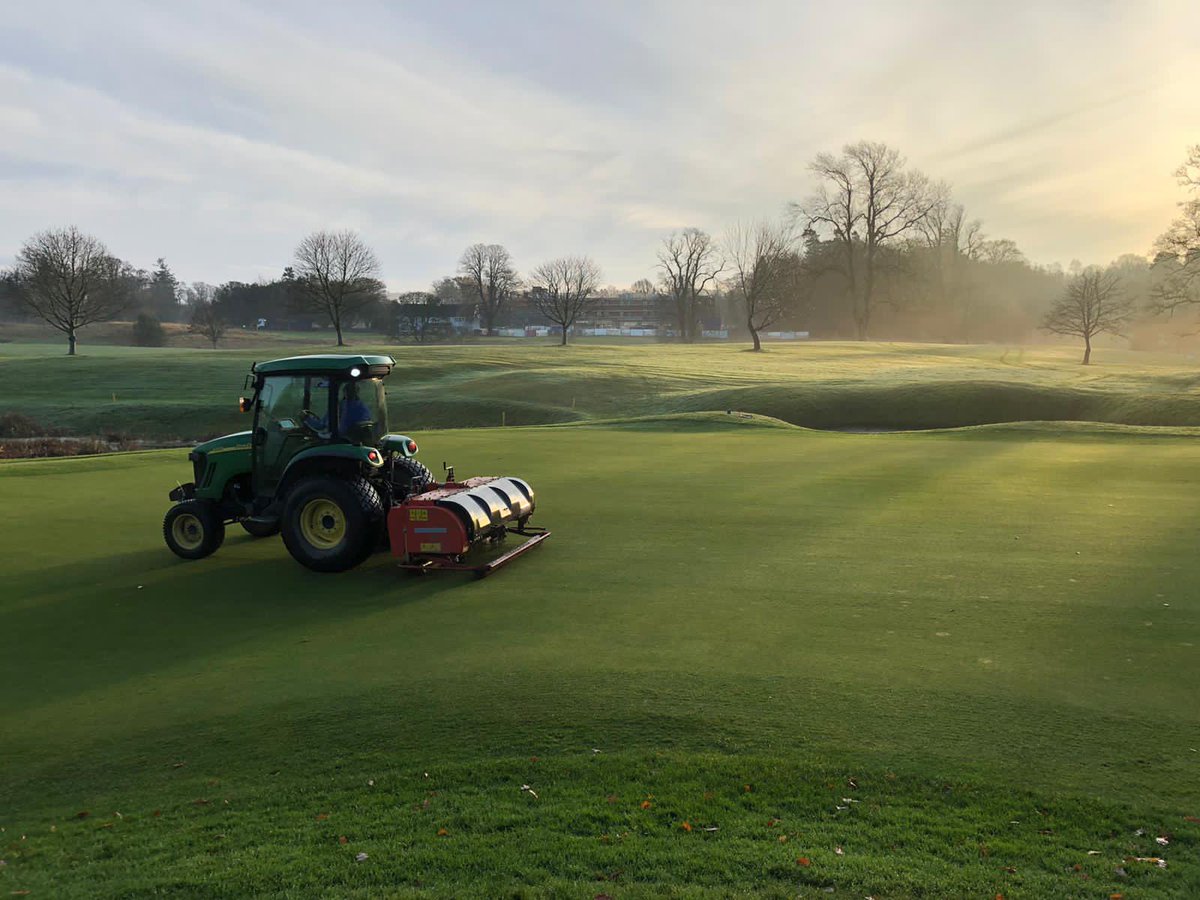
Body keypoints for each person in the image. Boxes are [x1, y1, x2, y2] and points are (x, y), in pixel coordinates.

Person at [303, 380, 372, 437]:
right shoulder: (363, 408)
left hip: (340, 439)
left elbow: (321, 425)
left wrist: (306, 419)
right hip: (354, 440)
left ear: (345, 392)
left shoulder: (339, 407)